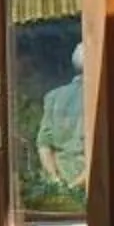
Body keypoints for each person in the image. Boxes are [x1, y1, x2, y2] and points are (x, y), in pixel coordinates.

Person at [34, 42, 90, 200]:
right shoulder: (100, 97)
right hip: (91, 185)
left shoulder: (54, 97)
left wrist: (55, 179)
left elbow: (43, 145)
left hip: (60, 183)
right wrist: (79, 182)